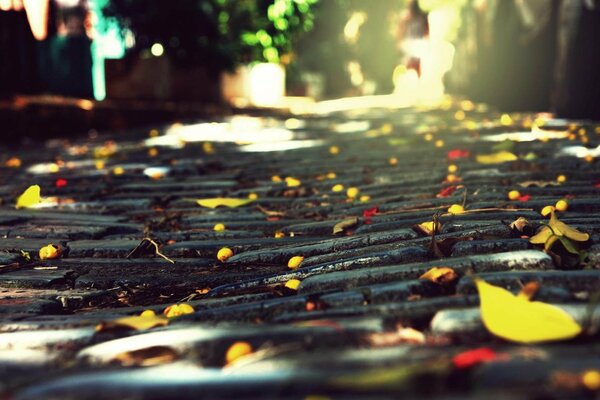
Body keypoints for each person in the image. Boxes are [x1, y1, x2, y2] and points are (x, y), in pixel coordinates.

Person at [397, 0, 429, 77]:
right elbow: (427, 33)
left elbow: (401, 32)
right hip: (413, 46)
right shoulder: (421, 17)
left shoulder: (406, 17)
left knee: (411, 65)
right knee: (412, 65)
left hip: (414, 45)